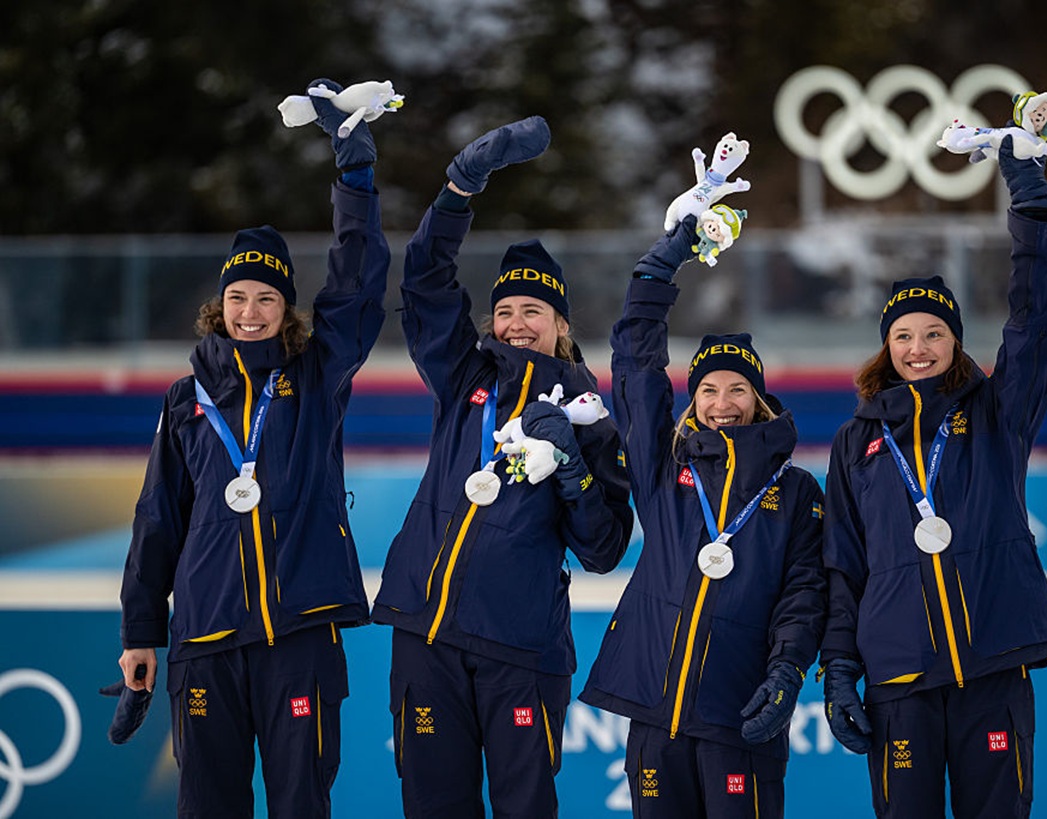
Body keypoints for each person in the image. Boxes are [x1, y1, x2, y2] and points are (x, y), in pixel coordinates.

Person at [116, 78, 390, 818]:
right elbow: (156, 521)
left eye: (266, 298)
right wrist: (142, 631)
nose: (250, 310)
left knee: (301, 803)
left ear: (284, 308)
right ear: (220, 305)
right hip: (205, 634)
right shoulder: (185, 399)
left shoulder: (317, 373)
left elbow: (358, 287)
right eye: (238, 297)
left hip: (299, 631)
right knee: (208, 806)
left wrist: (354, 177)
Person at [372, 116, 634, 819]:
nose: (518, 322)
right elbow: (424, 285)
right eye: (507, 310)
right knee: (433, 805)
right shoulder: (465, 375)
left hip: (520, 647)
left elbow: (605, 547)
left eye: (534, 311)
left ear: (561, 324)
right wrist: (461, 186)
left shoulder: (590, 413)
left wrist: (572, 469)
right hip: (426, 632)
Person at [820, 134, 1047, 818]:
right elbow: (843, 564)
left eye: (933, 332)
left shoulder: (997, 412)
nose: (917, 347)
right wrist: (838, 666)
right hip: (898, 675)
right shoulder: (856, 442)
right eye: (903, 335)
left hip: (990, 661)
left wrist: (1031, 209)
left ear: (955, 340)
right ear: (887, 346)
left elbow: (1038, 325)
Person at [579, 214, 826, 819]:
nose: (722, 403)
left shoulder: (794, 492)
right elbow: (636, 372)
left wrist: (788, 670)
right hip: (654, 713)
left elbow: (805, 592)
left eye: (738, 390)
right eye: (709, 390)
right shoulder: (666, 469)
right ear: (694, 402)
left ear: (760, 400)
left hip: (738, 710)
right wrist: (658, 271)